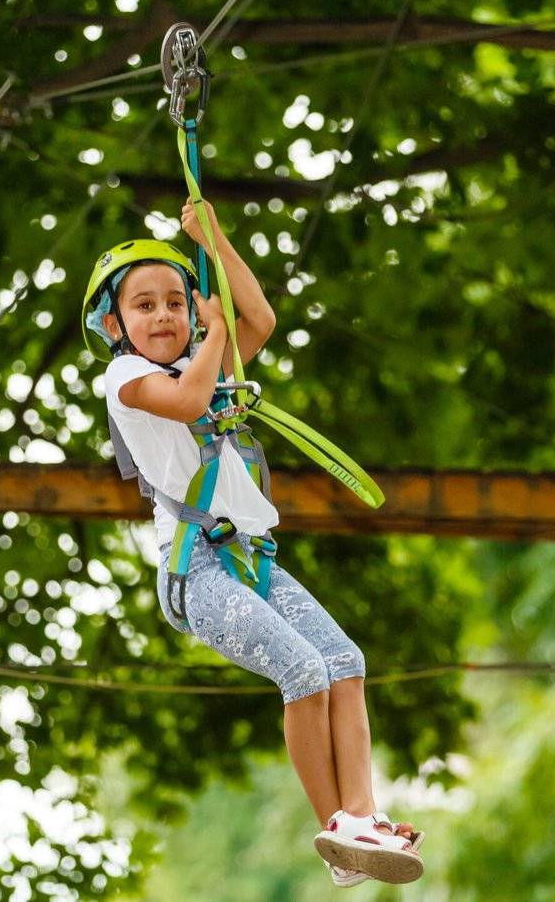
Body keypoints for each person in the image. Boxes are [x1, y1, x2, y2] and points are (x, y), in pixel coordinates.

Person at [81, 197, 425, 888]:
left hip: (250, 559)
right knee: (302, 672)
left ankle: (362, 814)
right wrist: (214, 336)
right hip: (197, 568)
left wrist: (215, 239)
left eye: (176, 301)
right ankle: (337, 828)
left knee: (344, 661)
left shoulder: (206, 360)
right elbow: (184, 402)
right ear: (116, 325)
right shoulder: (125, 377)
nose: (165, 314)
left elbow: (260, 319)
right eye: (144, 305)